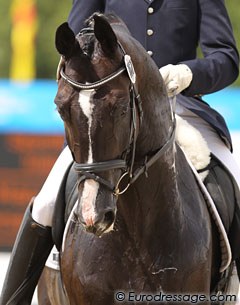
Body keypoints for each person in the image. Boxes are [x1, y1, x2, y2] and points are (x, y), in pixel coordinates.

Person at [1, 1, 239, 304]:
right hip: (108, 113)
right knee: (47, 201)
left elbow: (227, 58)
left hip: (179, 104)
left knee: (234, 178)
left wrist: (187, 74)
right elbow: (74, 46)